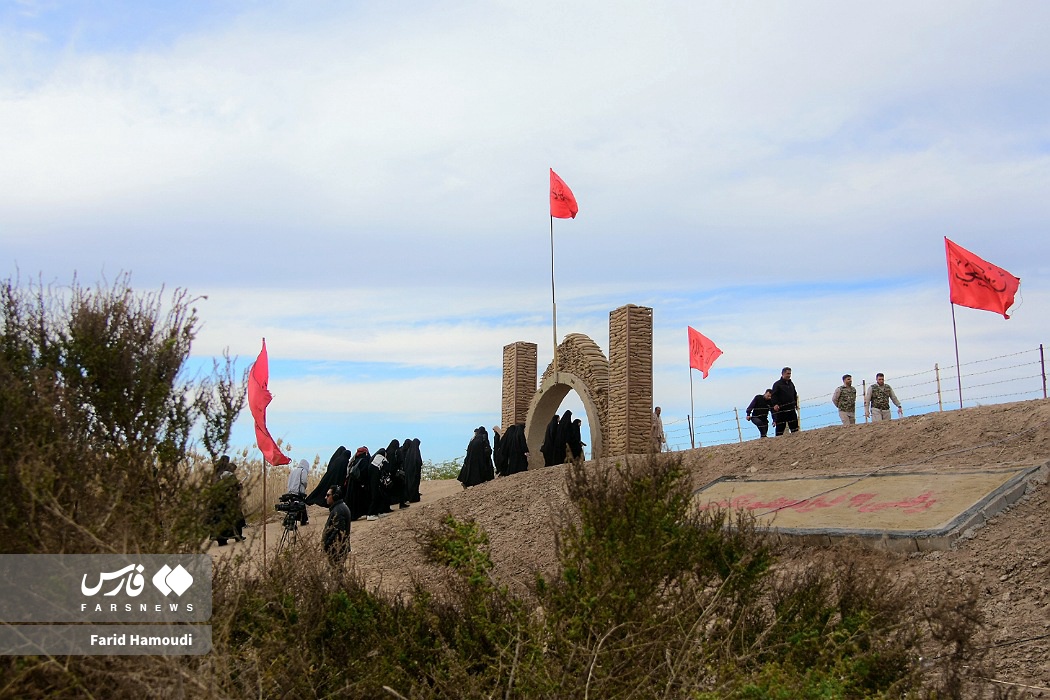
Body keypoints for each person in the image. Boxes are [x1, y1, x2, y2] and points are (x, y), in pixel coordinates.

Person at [322, 485, 351, 566]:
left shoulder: (339, 510)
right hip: (337, 548)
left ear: (335, 496)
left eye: (328, 495)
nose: (325, 498)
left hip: (337, 549)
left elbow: (338, 530)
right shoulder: (339, 507)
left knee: (336, 573)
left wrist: (327, 544)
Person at [771, 367, 800, 435]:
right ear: (783, 374)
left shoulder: (791, 384)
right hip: (781, 410)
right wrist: (775, 404)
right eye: (787, 373)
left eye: (790, 373)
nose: (789, 375)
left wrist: (795, 404)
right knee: (780, 430)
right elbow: (774, 395)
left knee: (794, 429)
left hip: (791, 409)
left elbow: (794, 394)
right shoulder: (777, 384)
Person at [285, 458, 310, 525]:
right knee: (301, 505)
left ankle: (288, 520)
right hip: (298, 491)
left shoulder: (293, 471)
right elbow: (304, 481)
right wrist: (305, 486)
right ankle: (303, 520)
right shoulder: (303, 470)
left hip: (291, 491)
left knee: (292, 506)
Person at [401, 438, 423, 503]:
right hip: (415, 472)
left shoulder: (409, 453)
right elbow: (418, 461)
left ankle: (410, 497)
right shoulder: (416, 452)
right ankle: (414, 498)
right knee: (414, 484)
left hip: (409, 472)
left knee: (410, 484)